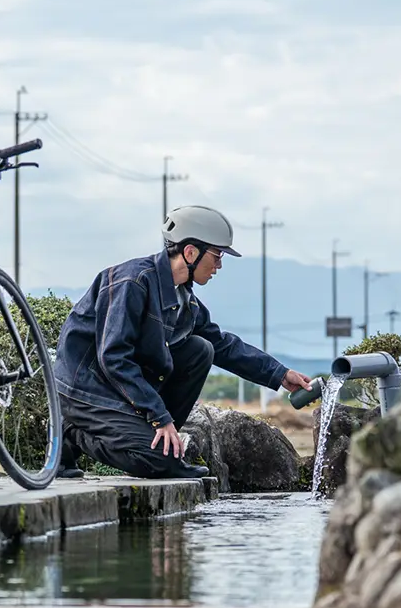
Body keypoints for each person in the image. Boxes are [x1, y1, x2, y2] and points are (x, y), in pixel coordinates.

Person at [52, 205, 313, 480]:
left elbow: (223, 346)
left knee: (201, 350)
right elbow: (113, 358)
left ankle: (163, 444)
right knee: (157, 461)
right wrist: (159, 416)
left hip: (117, 390)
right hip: (85, 390)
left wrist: (280, 374)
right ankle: (70, 432)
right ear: (190, 252)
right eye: (217, 256)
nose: (219, 266)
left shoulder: (183, 298)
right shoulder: (132, 282)